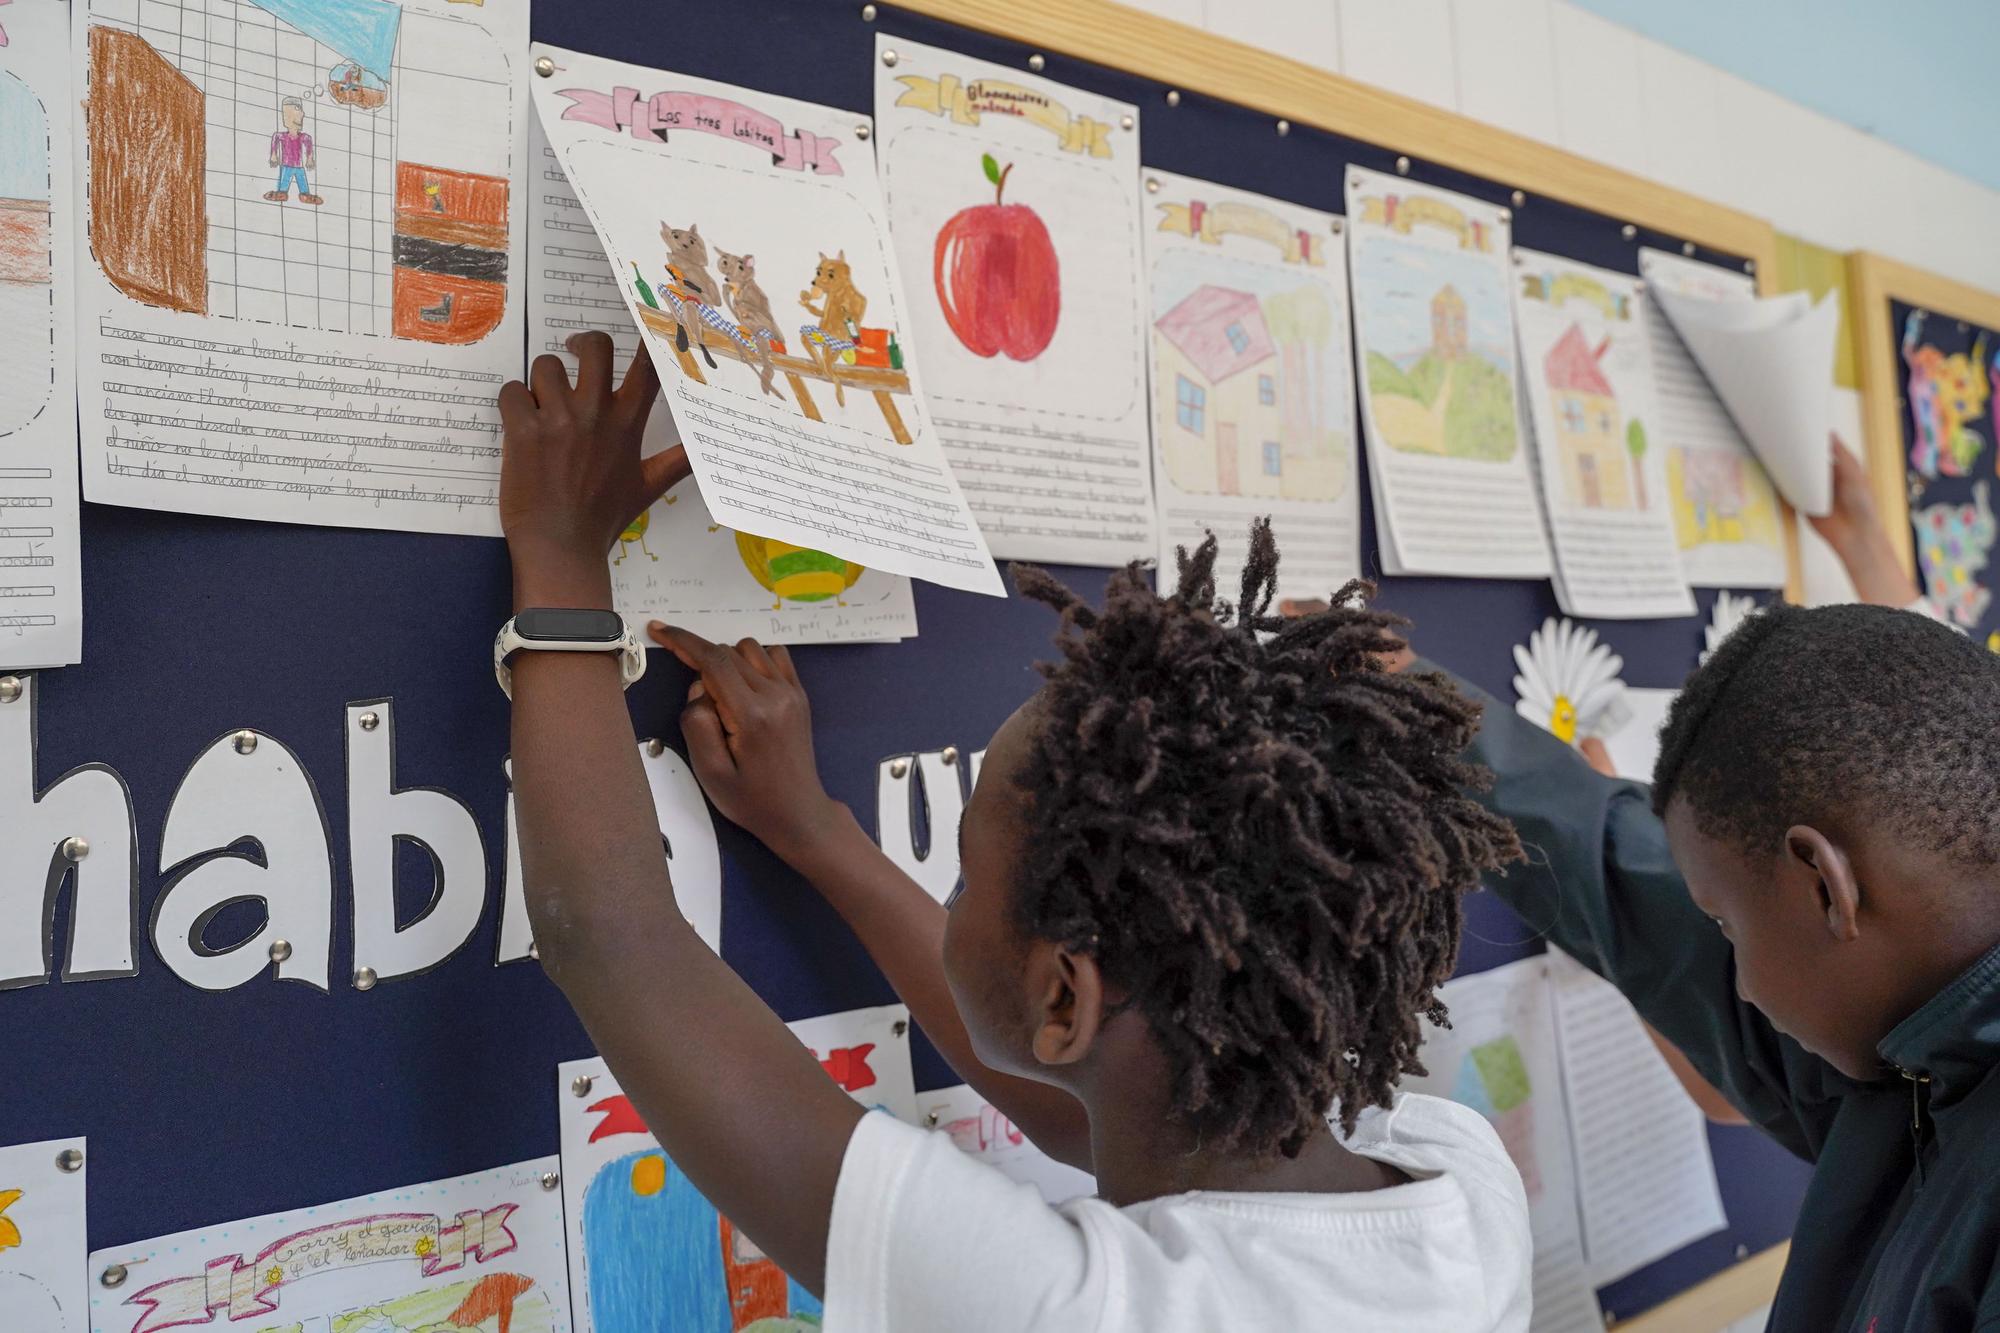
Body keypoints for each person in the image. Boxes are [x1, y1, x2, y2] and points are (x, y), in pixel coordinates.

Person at [498, 331, 1535, 1330]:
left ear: (1063, 993)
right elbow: (1082, 1107)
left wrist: (557, 558)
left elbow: (607, 932)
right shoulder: (1452, 1182)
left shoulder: (1071, 1310)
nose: (950, 891)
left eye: (957, 876)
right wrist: (816, 832)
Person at [1423, 446, 2000, 1328]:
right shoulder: (1915, 1038)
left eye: (1726, 926)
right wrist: (1418, 704)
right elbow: (1632, 887)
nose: (1734, 978)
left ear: (1824, 886)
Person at [266, 98, 320, 205]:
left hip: (299, 167)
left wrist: (310, 158)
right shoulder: (283, 136)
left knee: (302, 183)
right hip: (286, 165)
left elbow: (308, 140)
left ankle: (305, 194)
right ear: (287, 116)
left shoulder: (303, 137)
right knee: (284, 183)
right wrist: (273, 154)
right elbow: (275, 137)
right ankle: (281, 193)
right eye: (298, 110)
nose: (303, 114)